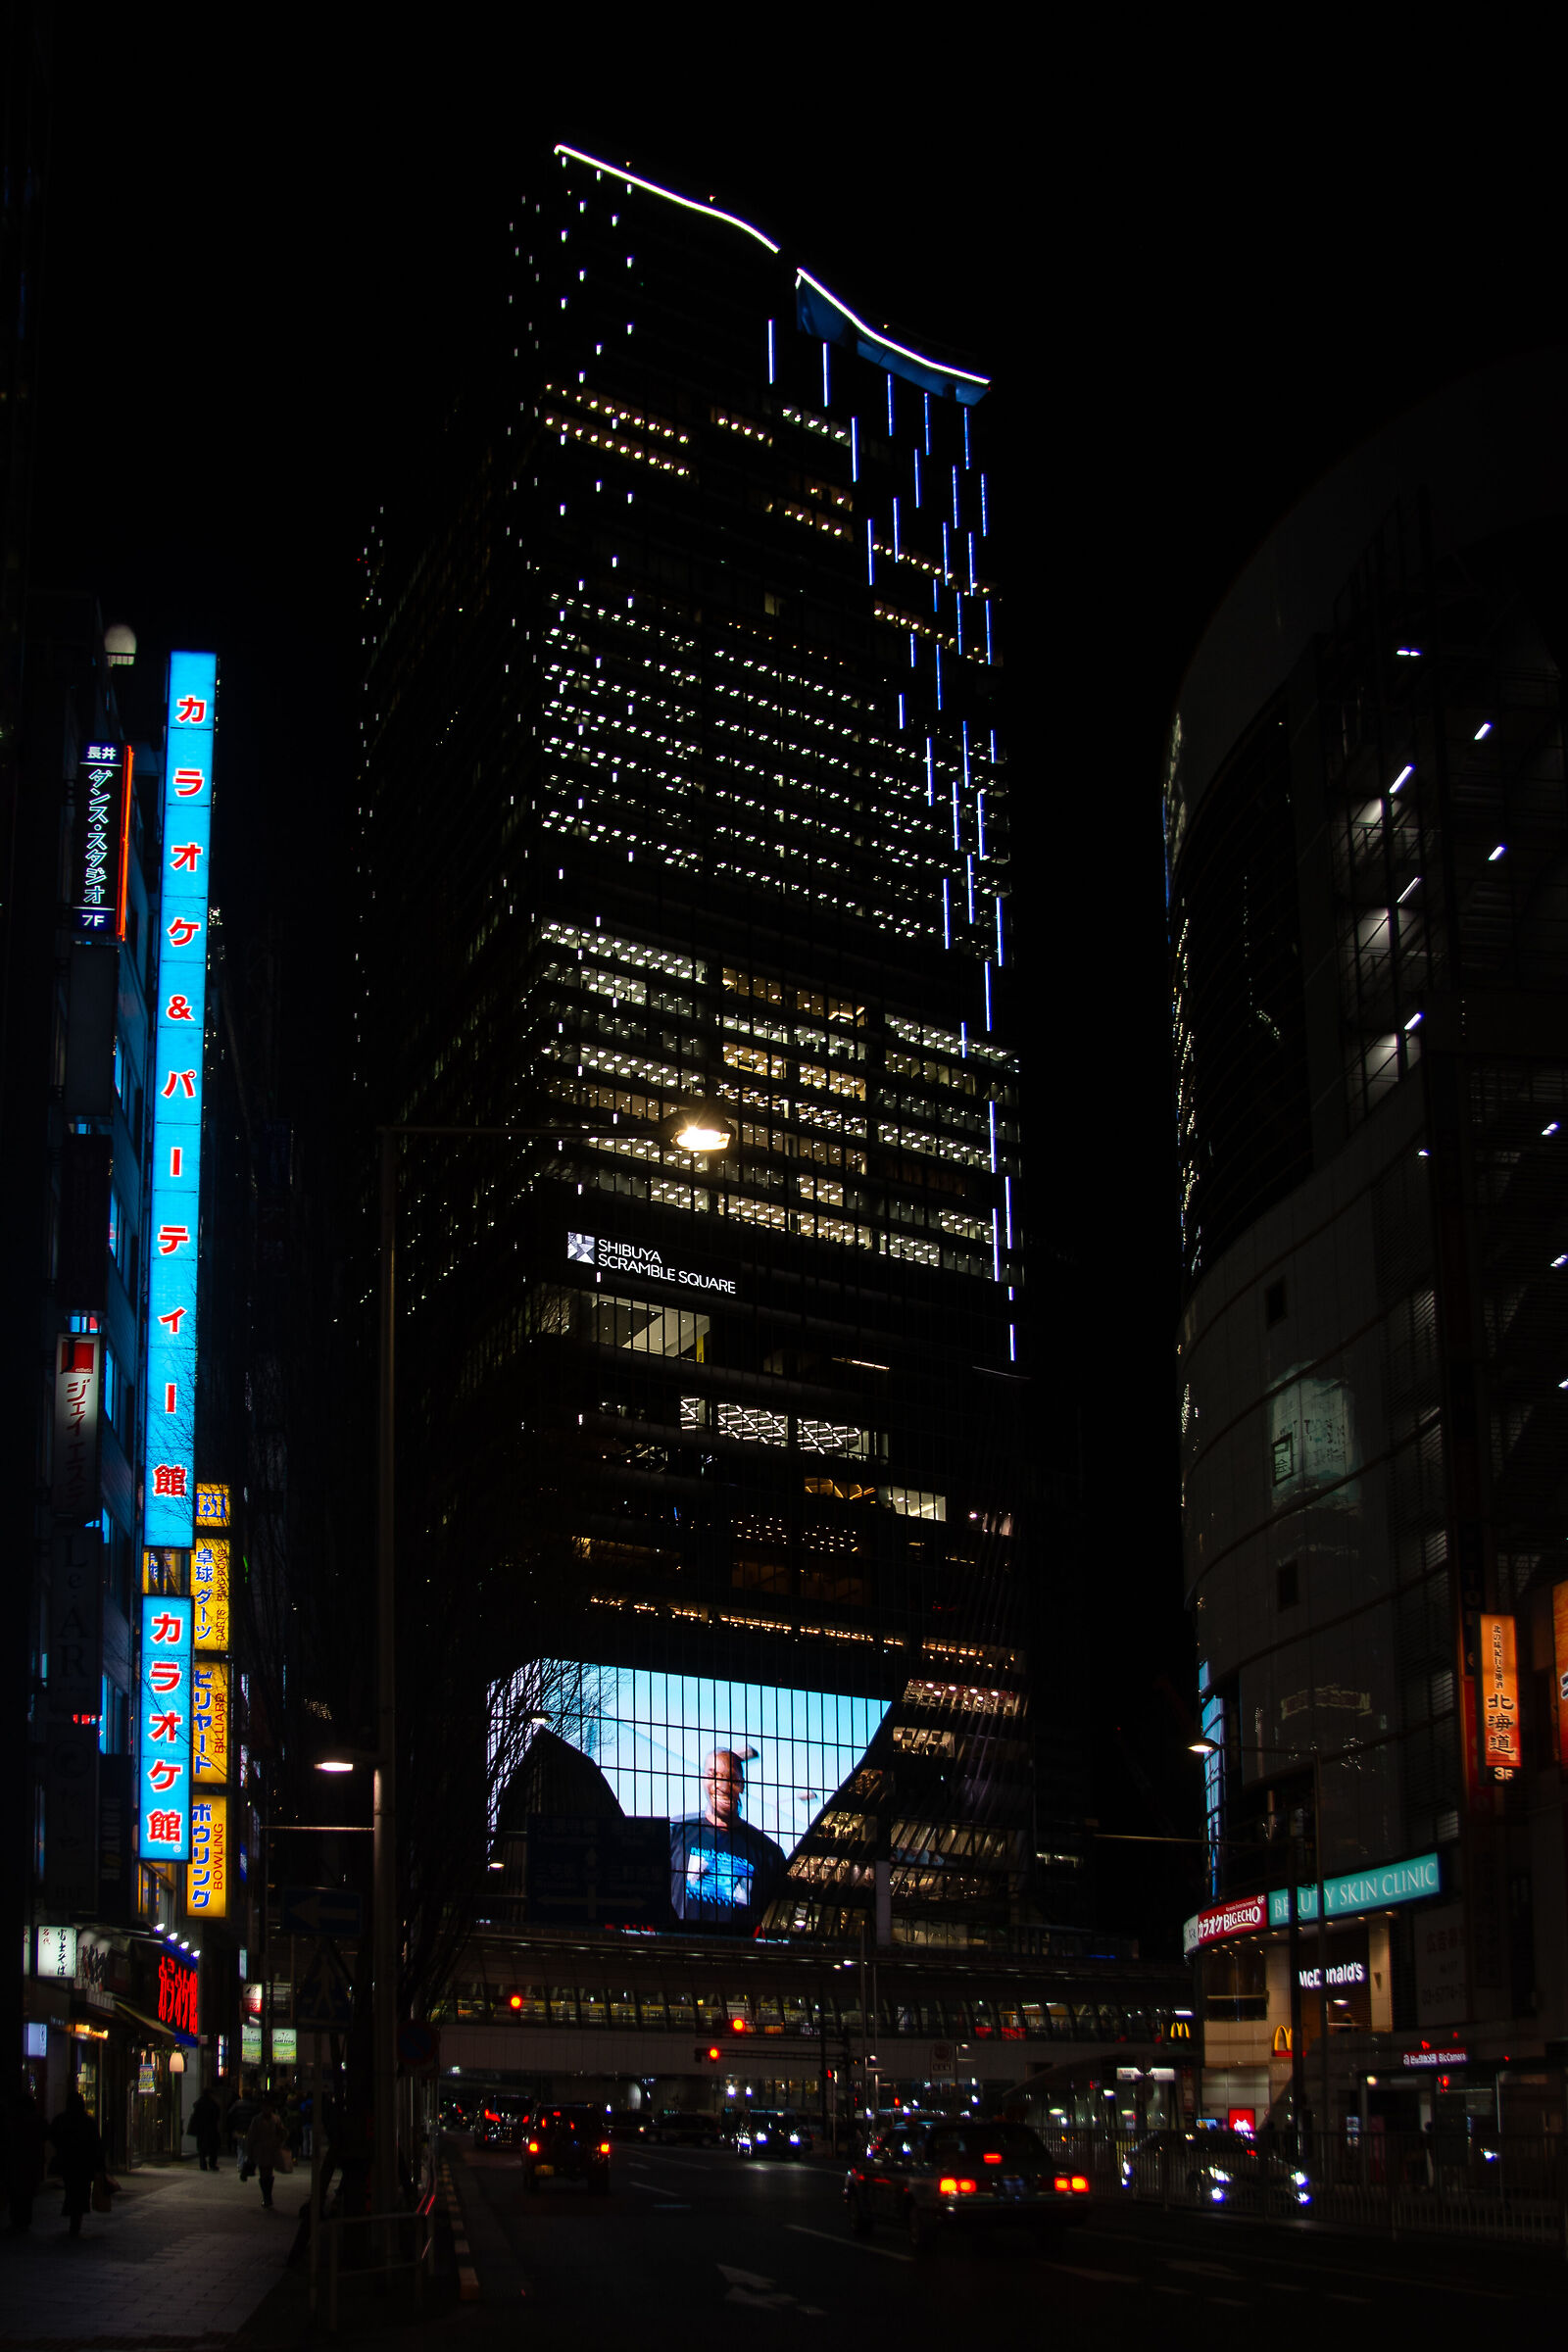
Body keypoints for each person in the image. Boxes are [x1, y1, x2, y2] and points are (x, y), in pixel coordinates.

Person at [669, 1747, 787, 1929]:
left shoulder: (768, 1853)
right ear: (704, 1780)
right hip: (680, 1945)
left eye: (731, 1778)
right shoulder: (677, 1834)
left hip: (735, 1947)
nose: (722, 1786)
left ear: (742, 1785)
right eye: (713, 1775)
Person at [45, 2088, 104, 2237]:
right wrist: (99, 2164)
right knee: (81, 2191)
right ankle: (76, 2220)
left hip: (69, 2162)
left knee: (71, 2189)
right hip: (84, 2164)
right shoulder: (87, 2122)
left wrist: (61, 2148)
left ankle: (74, 2217)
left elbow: (52, 2135)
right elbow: (96, 2144)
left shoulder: (62, 2120)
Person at [5, 2079, 47, 2230]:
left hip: (16, 2160)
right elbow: (45, 2134)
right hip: (32, 2160)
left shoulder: (14, 2119)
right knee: (27, 2192)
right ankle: (24, 2219)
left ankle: (16, 2219)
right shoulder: (37, 2119)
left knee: (16, 2191)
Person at [246, 2098, 287, 2209]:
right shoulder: (257, 2120)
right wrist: (250, 2152)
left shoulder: (275, 2119)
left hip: (271, 2149)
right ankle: (266, 2196)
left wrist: (279, 2142)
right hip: (261, 2150)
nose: (266, 2109)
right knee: (264, 2172)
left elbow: (282, 2133)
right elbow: (251, 2137)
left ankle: (267, 2196)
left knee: (268, 2173)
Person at [188, 2085, 222, 2172]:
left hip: (201, 2129)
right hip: (211, 2129)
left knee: (202, 2148)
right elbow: (217, 2116)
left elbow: (195, 2116)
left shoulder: (199, 2103)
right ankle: (212, 2164)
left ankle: (203, 2164)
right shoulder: (213, 2104)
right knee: (213, 2148)